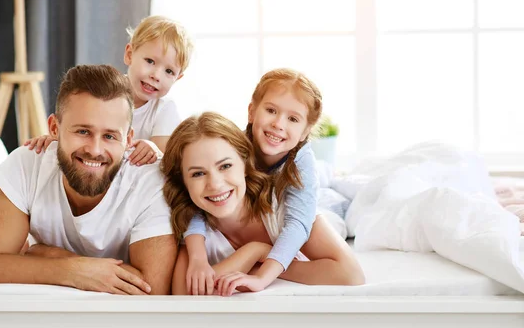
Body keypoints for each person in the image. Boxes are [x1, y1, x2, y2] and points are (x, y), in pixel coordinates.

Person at [0, 65, 177, 295]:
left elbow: (152, 289)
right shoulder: (28, 165)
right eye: (82, 132)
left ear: (128, 139)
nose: (95, 150)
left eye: (109, 136)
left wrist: (51, 255)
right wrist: (72, 270)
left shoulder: (151, 182)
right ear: (54, 128)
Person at [161, 112, 364, 296]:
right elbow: (183, 293)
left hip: (331, 207)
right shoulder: (195, 233)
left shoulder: (287, 210)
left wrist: (259, 260)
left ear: (245, 163)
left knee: (342, 197)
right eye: (198, 173)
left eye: (225, 166)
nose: (215, 184)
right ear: (183, 182)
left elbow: (350, 274)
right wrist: (254, 252)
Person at [183, 69, 324, 295]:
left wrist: (262, 276)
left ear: (305, 131)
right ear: (251, 112)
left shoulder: (303, 162)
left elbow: (299, 224)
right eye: (271, 110)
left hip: (307, 196)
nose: (279, 124)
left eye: (293, 119)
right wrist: (197, 258)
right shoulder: (234, 147)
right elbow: (200, 201)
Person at [25, 15, 193, 166]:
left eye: (169, 71)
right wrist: (55, 141)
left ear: (177, 78)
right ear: (129, 54)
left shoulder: (164, 109)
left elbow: (163, 159)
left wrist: (153, 150)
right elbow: (79, 132)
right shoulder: (105, 93)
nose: (156, 75)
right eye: (150, 61)